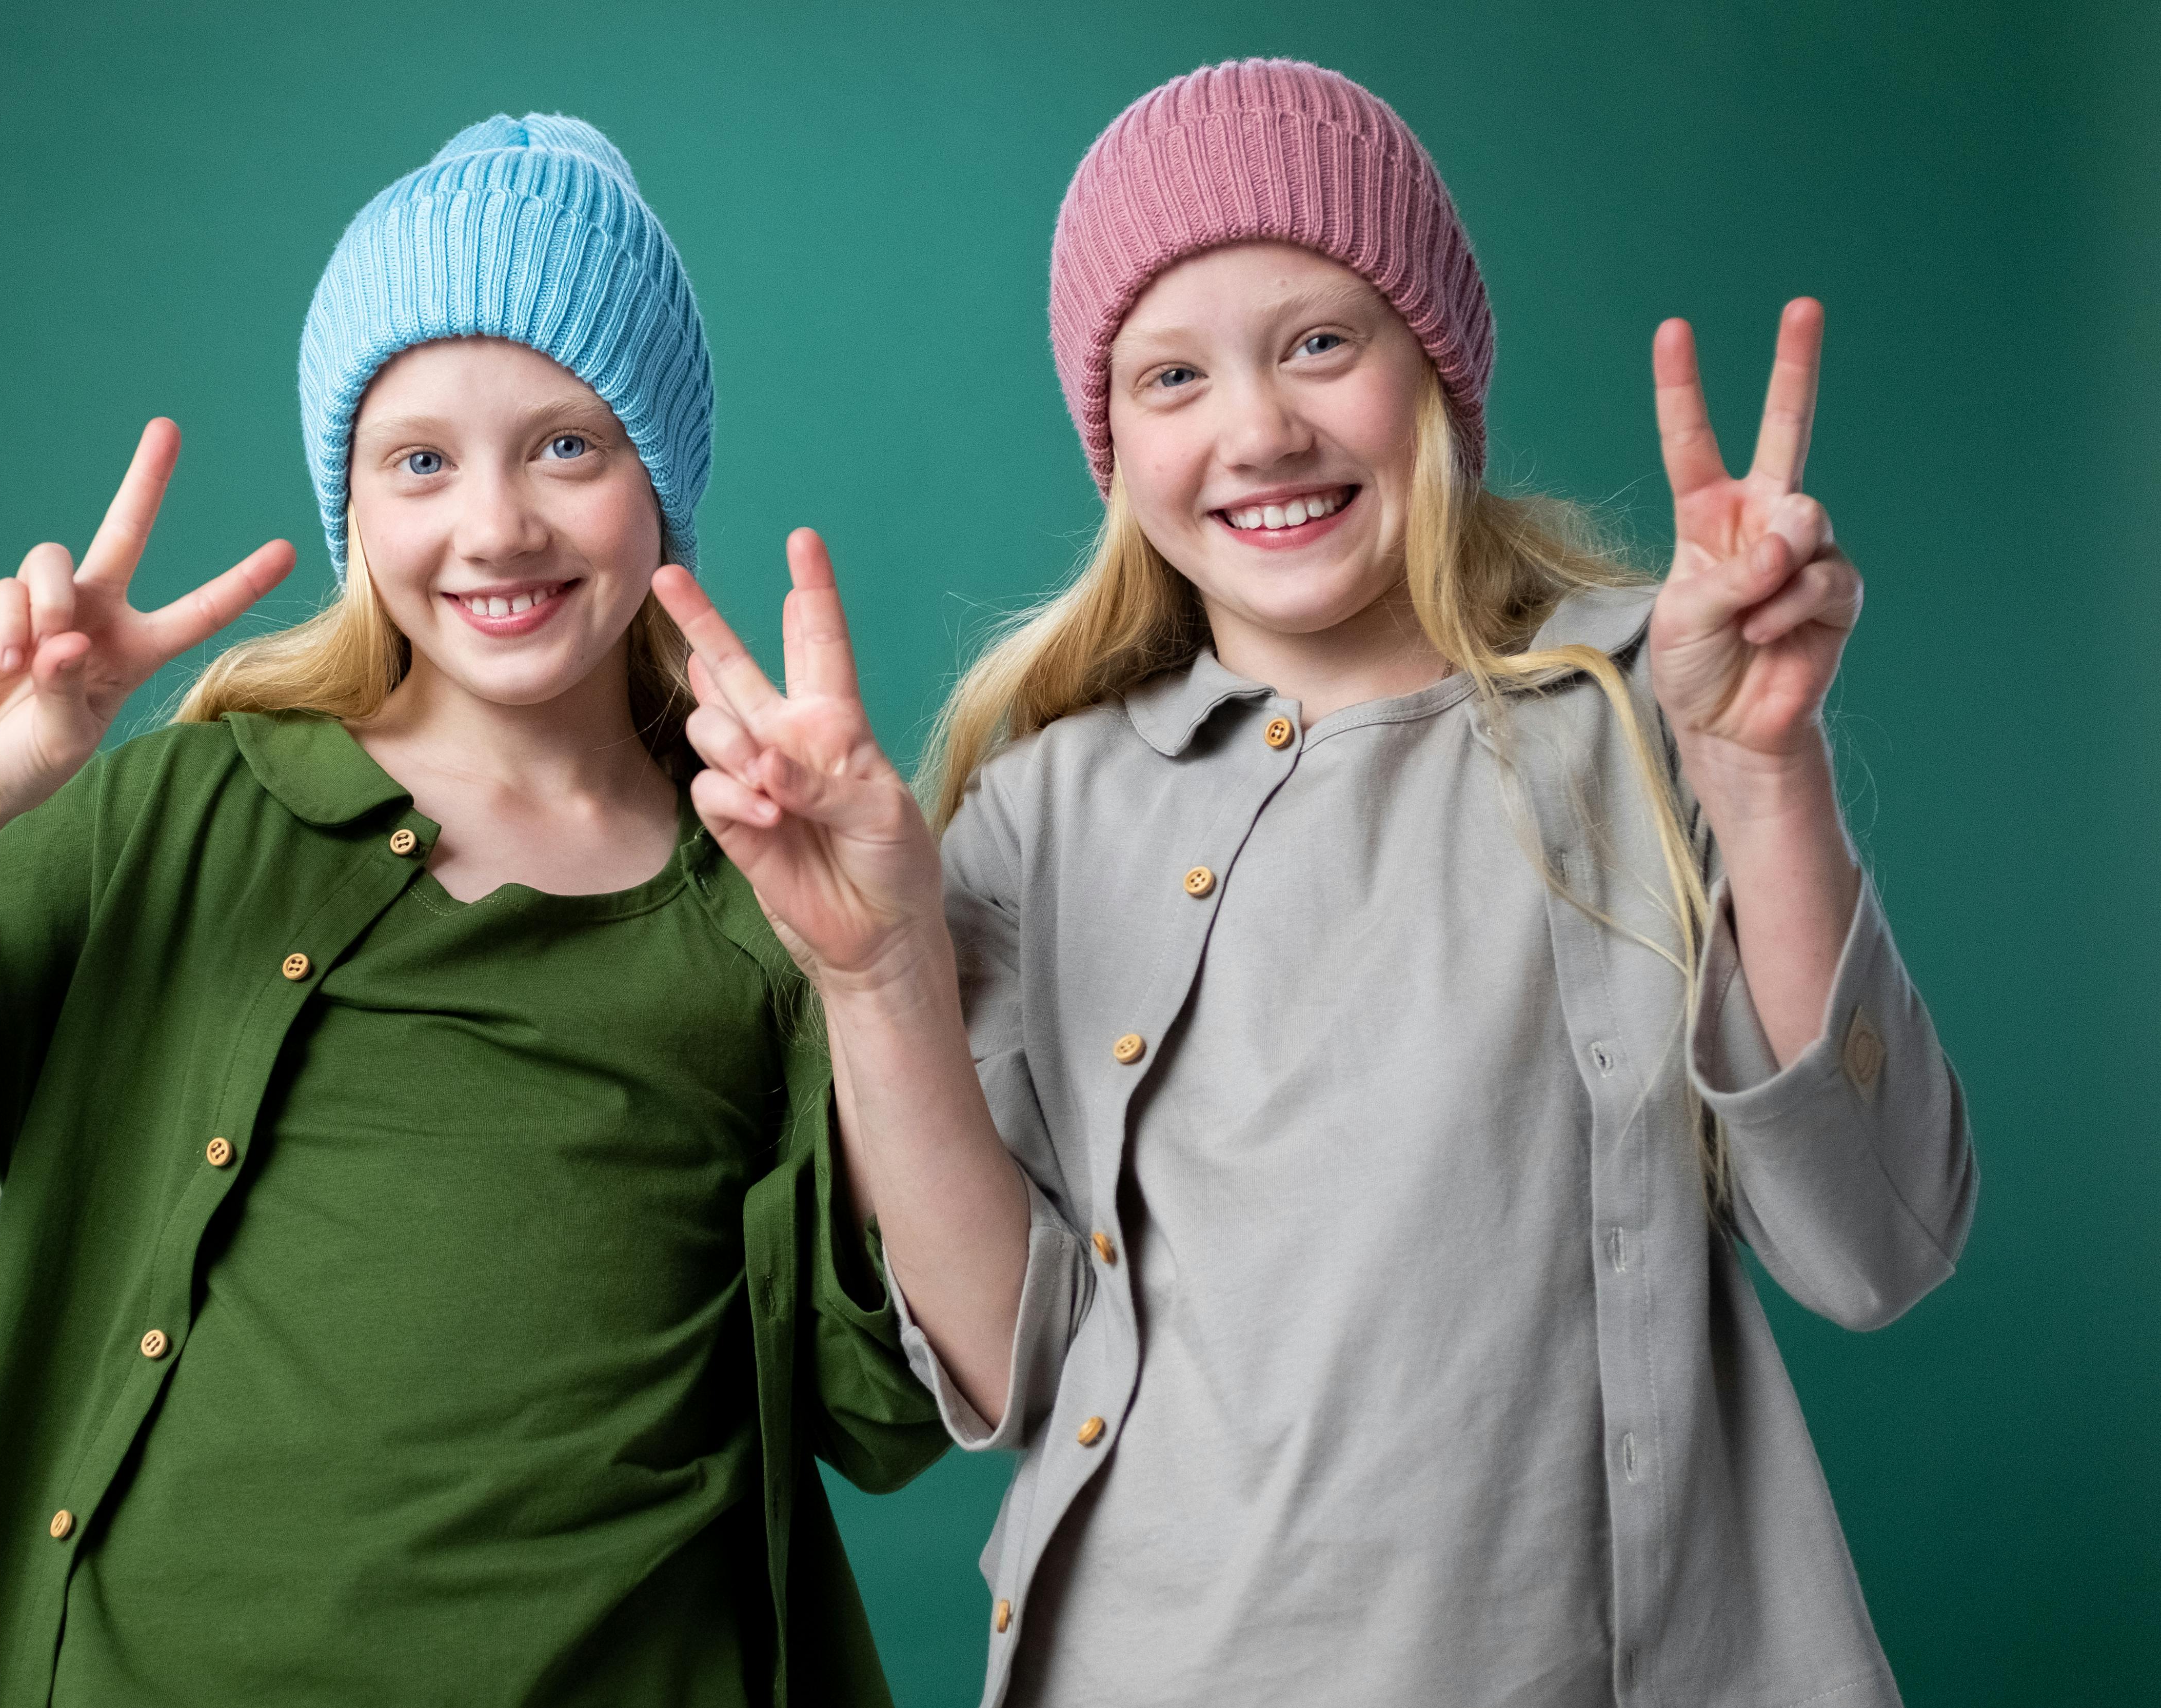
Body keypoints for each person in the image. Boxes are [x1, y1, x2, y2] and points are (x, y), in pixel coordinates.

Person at [652, 57, 1973, 1708]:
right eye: (1171, 376)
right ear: (1112, 442)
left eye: (1319, 342)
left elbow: (1876, 1243)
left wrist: (1764, 775)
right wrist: (873, 982)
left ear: (1437, 368)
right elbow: (1013, 1364)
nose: (1258, 428)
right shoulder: (1038, 808)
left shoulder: (1648, 702)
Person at [0, 112, 942, 1708]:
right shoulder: (179, 823)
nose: (496, 525)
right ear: (355, 509)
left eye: (567, 445)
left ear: (660, 482)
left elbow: (892, 1412)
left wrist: (885, 981)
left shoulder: (767, 905)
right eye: (419, 461)